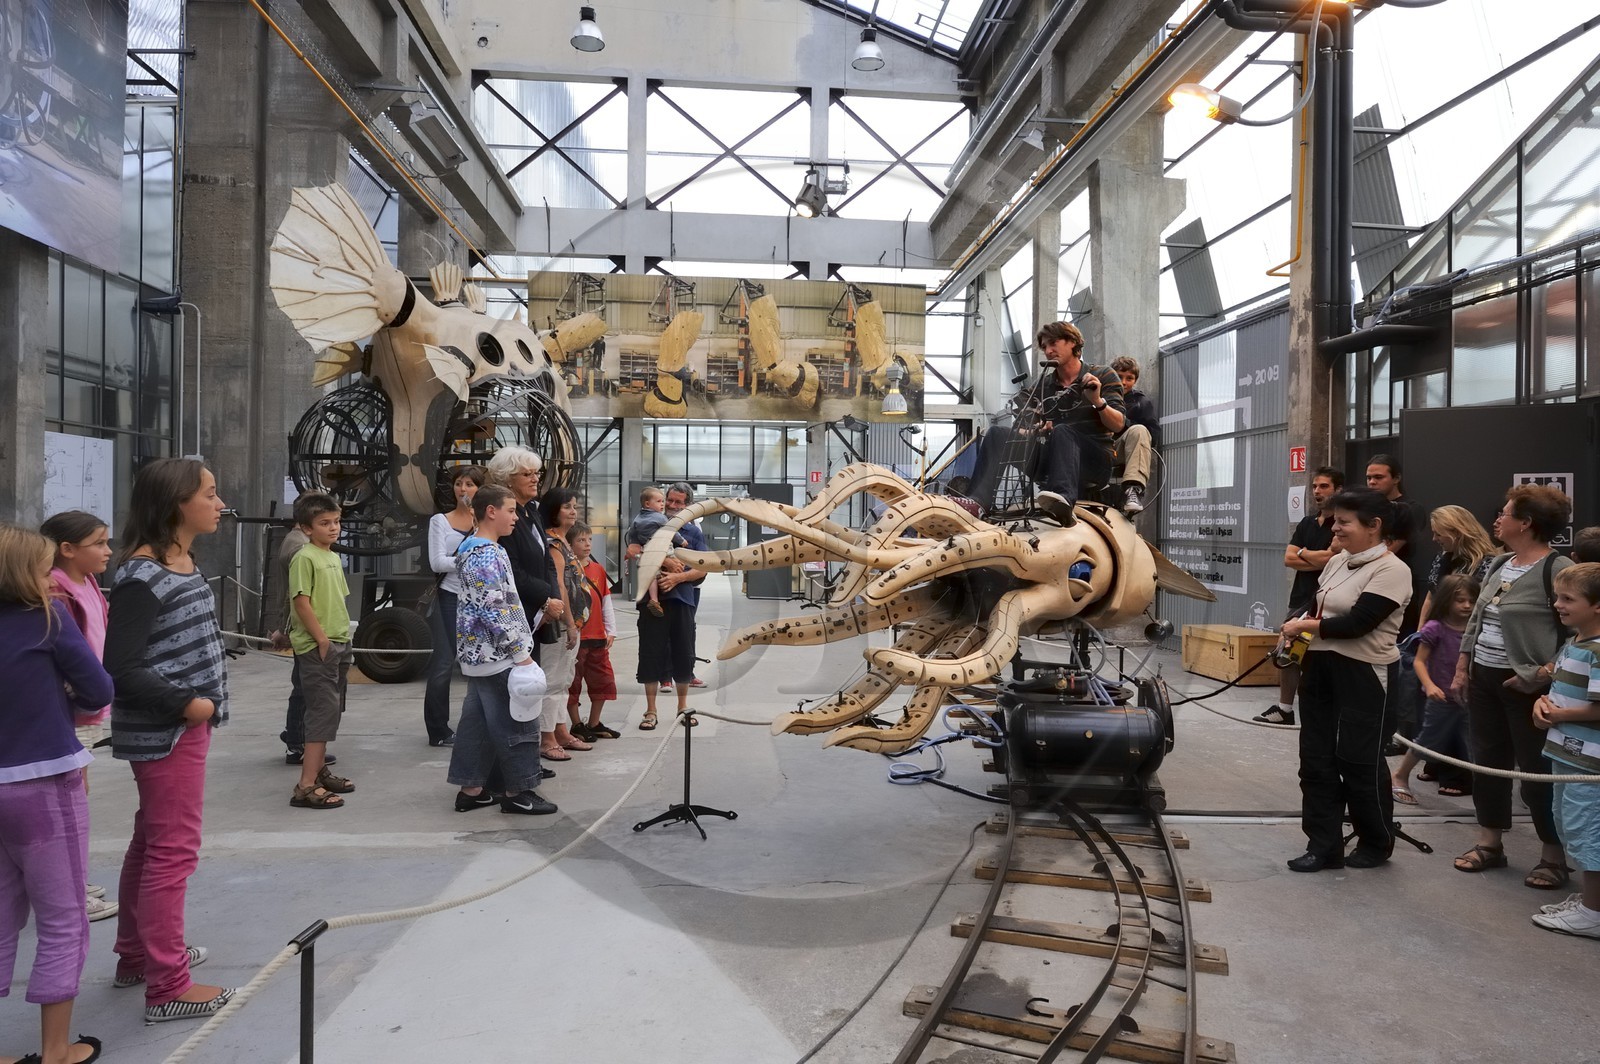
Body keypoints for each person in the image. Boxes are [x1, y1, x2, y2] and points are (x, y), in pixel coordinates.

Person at [103, 457, 236, 1023]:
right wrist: (190, 705)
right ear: (176, 503)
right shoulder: (142, 574)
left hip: (180, 729)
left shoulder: (177, 561)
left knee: (150, 843)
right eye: (208, 493)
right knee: (171, 853)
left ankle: (138, 957)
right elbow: (121, 665)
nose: (219, 502)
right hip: (167, 732)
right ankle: (168, 986)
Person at [0, 523, 114, 1064]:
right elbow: (98, 688)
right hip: (44, 781)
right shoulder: (49, 617)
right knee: (63, 916)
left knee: (0, 917)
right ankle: (55, 1049)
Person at [1280, 488, 1413, 872]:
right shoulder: (1339, 560)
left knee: (1358, 761)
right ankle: (1323, 846)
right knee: (1316, 760)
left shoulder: (1392, 570)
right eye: (1334, 520)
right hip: (1320, 667)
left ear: (1374, 527)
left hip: (1363, 673)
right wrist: (1297, 625)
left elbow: (1357, 624)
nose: (1334, 528)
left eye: (1343, 522)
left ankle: (1375, 840)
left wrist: (1304, 624)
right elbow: (1320, 603)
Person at [1450, 485, 1575, 887]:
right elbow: (1478, 619)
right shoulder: (1499, 563)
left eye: (1505, 514)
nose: (1497, 520)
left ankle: (1553, 857)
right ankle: (1490, 844)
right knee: (1487, 762)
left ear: (1526, 523)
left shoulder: (1557, 569)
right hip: (1484, 677)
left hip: (1529, 687)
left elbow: (1580, 631)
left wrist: (1541, 675)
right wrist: (1462, 664)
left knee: (1537, 771)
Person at [447, 484, 557, 816]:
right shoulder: (486, 552)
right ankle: (520, 791)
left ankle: (471, 789)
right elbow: (493, 606)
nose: (515, 517)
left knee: (477, 724)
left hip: (479, 655)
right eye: (510, 510)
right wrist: (520, 654)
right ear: (491, 511)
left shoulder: (470, 547)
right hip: (498, 655)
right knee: (519, 722)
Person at [968, 321, 1126, 526]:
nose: (1048, 351)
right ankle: (978, 502)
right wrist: (1035, 428)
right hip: (1053, 459)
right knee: (997, 433)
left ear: (1073, 343)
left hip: (1094, 461)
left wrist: (1097, 401)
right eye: (1044, 347)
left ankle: (1062, 501)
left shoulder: (1102, 375)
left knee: (1063, 431)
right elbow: (1023, 422)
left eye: (1053, 343)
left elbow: (1118, 425)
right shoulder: (1043, 385)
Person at [41, 510, 119, 923]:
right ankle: (68, 890)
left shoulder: (86, 581)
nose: (108, 550)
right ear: (67, 549)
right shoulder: (56, 590)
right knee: (72, 800)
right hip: (73, 711)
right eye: (99, 543)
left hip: (91, 705)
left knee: (78, 795)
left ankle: (73, 878)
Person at [1530, 562, 1600, 937]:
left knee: (1590, 833)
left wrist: (1558, 715)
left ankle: (1593, 912)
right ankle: (1591, 902)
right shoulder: (1575, 643)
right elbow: (1561, 693)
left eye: (1568, 598)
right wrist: (1542, 705)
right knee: (1571, 825)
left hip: (1589, 762)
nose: (1557, 604)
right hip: (1566, 754)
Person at [1255, 467, 1342, 725]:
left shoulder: (1340, 525)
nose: (1317, 491)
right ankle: (1284, 709)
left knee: (1319, 657)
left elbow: (1333, 560)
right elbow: (1288, 558)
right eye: (1315, 486)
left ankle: (1328, 712)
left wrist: (1303, 553)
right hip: (1299, 599)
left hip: (1326, 600)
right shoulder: (1306, 523)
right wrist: (1313, 556)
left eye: (1324, 486)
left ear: (1338, 489)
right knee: (1287, 652)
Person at [285, 493, 355, 810]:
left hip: (340, 641)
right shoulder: (305, 557)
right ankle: (306, 784)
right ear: (306, 527)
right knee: (320, 711)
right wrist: (321, 640)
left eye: (336, 522)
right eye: (324, 523)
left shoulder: (330, 556)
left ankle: (318, 770)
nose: (333, 528)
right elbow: (302, 601)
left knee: (332, 710)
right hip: (319, 646)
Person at [1390, 573, 1479, 804]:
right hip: (1441, 698)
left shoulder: (1476, 628)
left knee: (1473, 745)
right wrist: (1429, 686)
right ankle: (1399, 776)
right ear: (1447, 600)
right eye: (1460, 600)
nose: (1467, 605)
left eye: (1471, 600)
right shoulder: (1435, 628)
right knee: (1426, 742)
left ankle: (1486, 799)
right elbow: (1419, 661)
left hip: (1470, 699)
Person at [423, 465, 487, 748]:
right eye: (459, 484)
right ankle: (438, 730)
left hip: (478, 600)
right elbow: (437, 563)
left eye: (470, 484)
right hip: (450, 598)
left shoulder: (484, 521)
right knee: (443, 664)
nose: (463, 490)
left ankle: (478, 724)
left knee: (479, 663)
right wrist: (469, 558)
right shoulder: (441, 521)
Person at [637, 483, 708, 728]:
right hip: (651, 603)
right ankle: (650, 710)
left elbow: (703, 568)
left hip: (683, 601)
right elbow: (634, 548)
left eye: (679, 502)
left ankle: (682, 707)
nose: (673, 506)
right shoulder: (648, 524)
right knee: (650, 654)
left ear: (687, 505)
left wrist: (678, 577)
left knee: (683, 654)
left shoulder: (693, 533)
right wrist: (664, 561)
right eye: (670, 501)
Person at [485, 446, 564, 663]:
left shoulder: (532, 511)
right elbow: (512, 570)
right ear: (507, 479)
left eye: (536, 473)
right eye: (527, 474)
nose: (535, 479)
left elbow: (547, 561)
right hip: (515, 614)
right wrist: (546, 600)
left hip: (537, 613)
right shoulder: (506, 518)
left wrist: (553, 599)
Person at [537, 487, 590, 761]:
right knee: (552, 680)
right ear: (553, 510)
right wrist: (569, 622)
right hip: (559, 624)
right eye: (567, 506)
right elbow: (559, 585)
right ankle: (546, 738)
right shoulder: (552, 543)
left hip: (574, 623)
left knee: (564, 680)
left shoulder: (563, 540)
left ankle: (561, 731)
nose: (573, 510)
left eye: (574, 506)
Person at [567, 522, 620, 743]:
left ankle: (594, 722)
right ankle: (576, 724)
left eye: (589, 539)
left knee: (603, 680)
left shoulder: (597, 568)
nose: (587, 544)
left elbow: (605, 600)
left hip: (598, 636)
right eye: (580, 540)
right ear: (569, 544)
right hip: (577, 638)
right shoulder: (566, 570)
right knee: (573, 683)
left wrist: (611, 630)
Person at [1417, 504, 1497, 623]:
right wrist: (1420, 633)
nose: (1434, 539)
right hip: (1435, 633)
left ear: (1457, 533)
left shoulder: (1487, 563)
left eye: (1438, 534)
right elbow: (1430, 598)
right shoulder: (1441, 558)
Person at [626, 486, 686, 617]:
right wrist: (682, 541)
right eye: (660, 501)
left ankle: (654, 599)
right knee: (677, 561)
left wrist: (635, 545)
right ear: (647, 503)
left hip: (647, 548)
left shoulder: (636, 519)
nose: (664, 505)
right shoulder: (660, 518)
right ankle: (666, 583)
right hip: (663, 547)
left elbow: (632, 536)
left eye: (663, 501)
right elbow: (672, 531)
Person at [1109, 356, 1157, 516]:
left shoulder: (1141, 403)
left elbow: (1154, 437)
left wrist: (1124, 424)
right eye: (1119, 377)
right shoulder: (1096, 394)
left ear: (1135, 380)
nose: (1123, 382)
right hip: (1094, 448)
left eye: (1129, 378)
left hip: (1120, 449)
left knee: (1140, 430)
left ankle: (1133, 490)